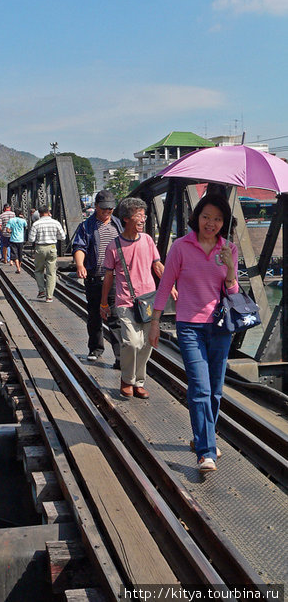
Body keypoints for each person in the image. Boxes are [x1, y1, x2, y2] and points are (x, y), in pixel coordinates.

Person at [149, 194, 238, 472]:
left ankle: (205, 436)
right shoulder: (181, 247)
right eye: (206, 217)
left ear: (224, 222)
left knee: (215, 390)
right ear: (196, 217)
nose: (211, 223)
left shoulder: (229, 249)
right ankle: (205, 452)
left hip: (220, 327)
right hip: (189, 326)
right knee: (199, 387)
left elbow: (234, 293)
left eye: (218, 219)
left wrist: (230, 269)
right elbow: (165, 286)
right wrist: (155, 321)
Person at [100, 197, 173, 399]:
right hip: (125, 301)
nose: (142, 219)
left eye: (144, 215)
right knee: (131, 343)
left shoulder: (148, 240)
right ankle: (126, 379)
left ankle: (138, 382)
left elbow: (157, 266)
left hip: (149, 300)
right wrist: (104, 302)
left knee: (148, 343)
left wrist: (171, 285)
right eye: (138, 215)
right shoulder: (114, 246)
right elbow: (108, 277)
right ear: (125, 219)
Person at [72, 189, 123, 367]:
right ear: (96, 207)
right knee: (94, 315)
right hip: (95, 277)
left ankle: (119, 356)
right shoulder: (86, 226)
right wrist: (80, 264)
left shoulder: (118, 224)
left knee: (115, 317)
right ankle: (95, 349)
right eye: (103, 209)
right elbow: (79, 247)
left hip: (115, 278)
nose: (107, 212)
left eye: (109, 209)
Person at [28, 204, 66, 302]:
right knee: (51, 272)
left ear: (39, 214)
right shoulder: (56, 223)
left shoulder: (36, 224)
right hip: (52, 247)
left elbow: (31, 239)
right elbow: (62, 237)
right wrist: (53, 237)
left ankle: (41, 291)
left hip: (40, 248)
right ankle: (49, 297)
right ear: (48, 212)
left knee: (38, 270)